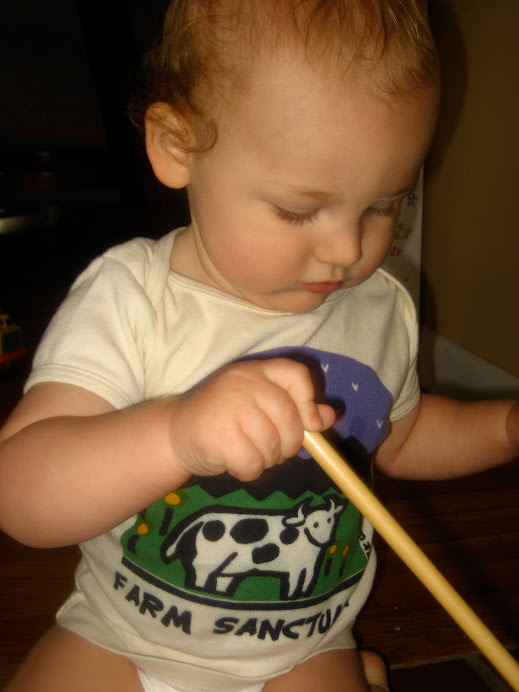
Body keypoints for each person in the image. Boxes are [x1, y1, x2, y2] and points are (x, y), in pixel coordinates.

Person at [1, 1, 518, 690]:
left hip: (301, 651)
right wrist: (176, 434)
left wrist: (503, 427)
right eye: (299, 209)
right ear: (177, 148)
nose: (345, 251)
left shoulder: (378, 309)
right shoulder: (132, 299)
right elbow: (22, 494)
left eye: (383, 204)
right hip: (124, 638)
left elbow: (404, 433)